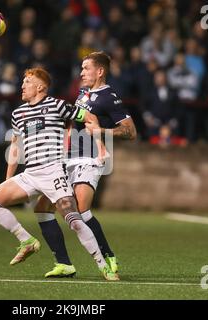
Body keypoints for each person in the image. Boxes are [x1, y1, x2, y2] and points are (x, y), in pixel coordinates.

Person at [0, 67, 119, 281]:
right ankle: (26, 240)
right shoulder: (18, 113)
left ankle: (104, 266)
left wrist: (100, 145)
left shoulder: (57, 105)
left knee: (74, 220)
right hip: (30, 174)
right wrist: (8, 180)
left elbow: (89, 116)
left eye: (27, 82)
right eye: (23, 82)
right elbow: (16, 149)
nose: (22, 85)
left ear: (40, 86)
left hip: (53, 172)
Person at [33, 52, 136, 278]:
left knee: (79, 208)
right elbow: (74, 122)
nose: (81, 73)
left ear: (100, 71)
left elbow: (130, 131)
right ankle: (63, 263)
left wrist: (102, 131)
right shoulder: (83, 93)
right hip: (69, 157)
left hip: (90, 158)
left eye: (86, 68)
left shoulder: (109, 96)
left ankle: (107, 255)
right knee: (42, 208)